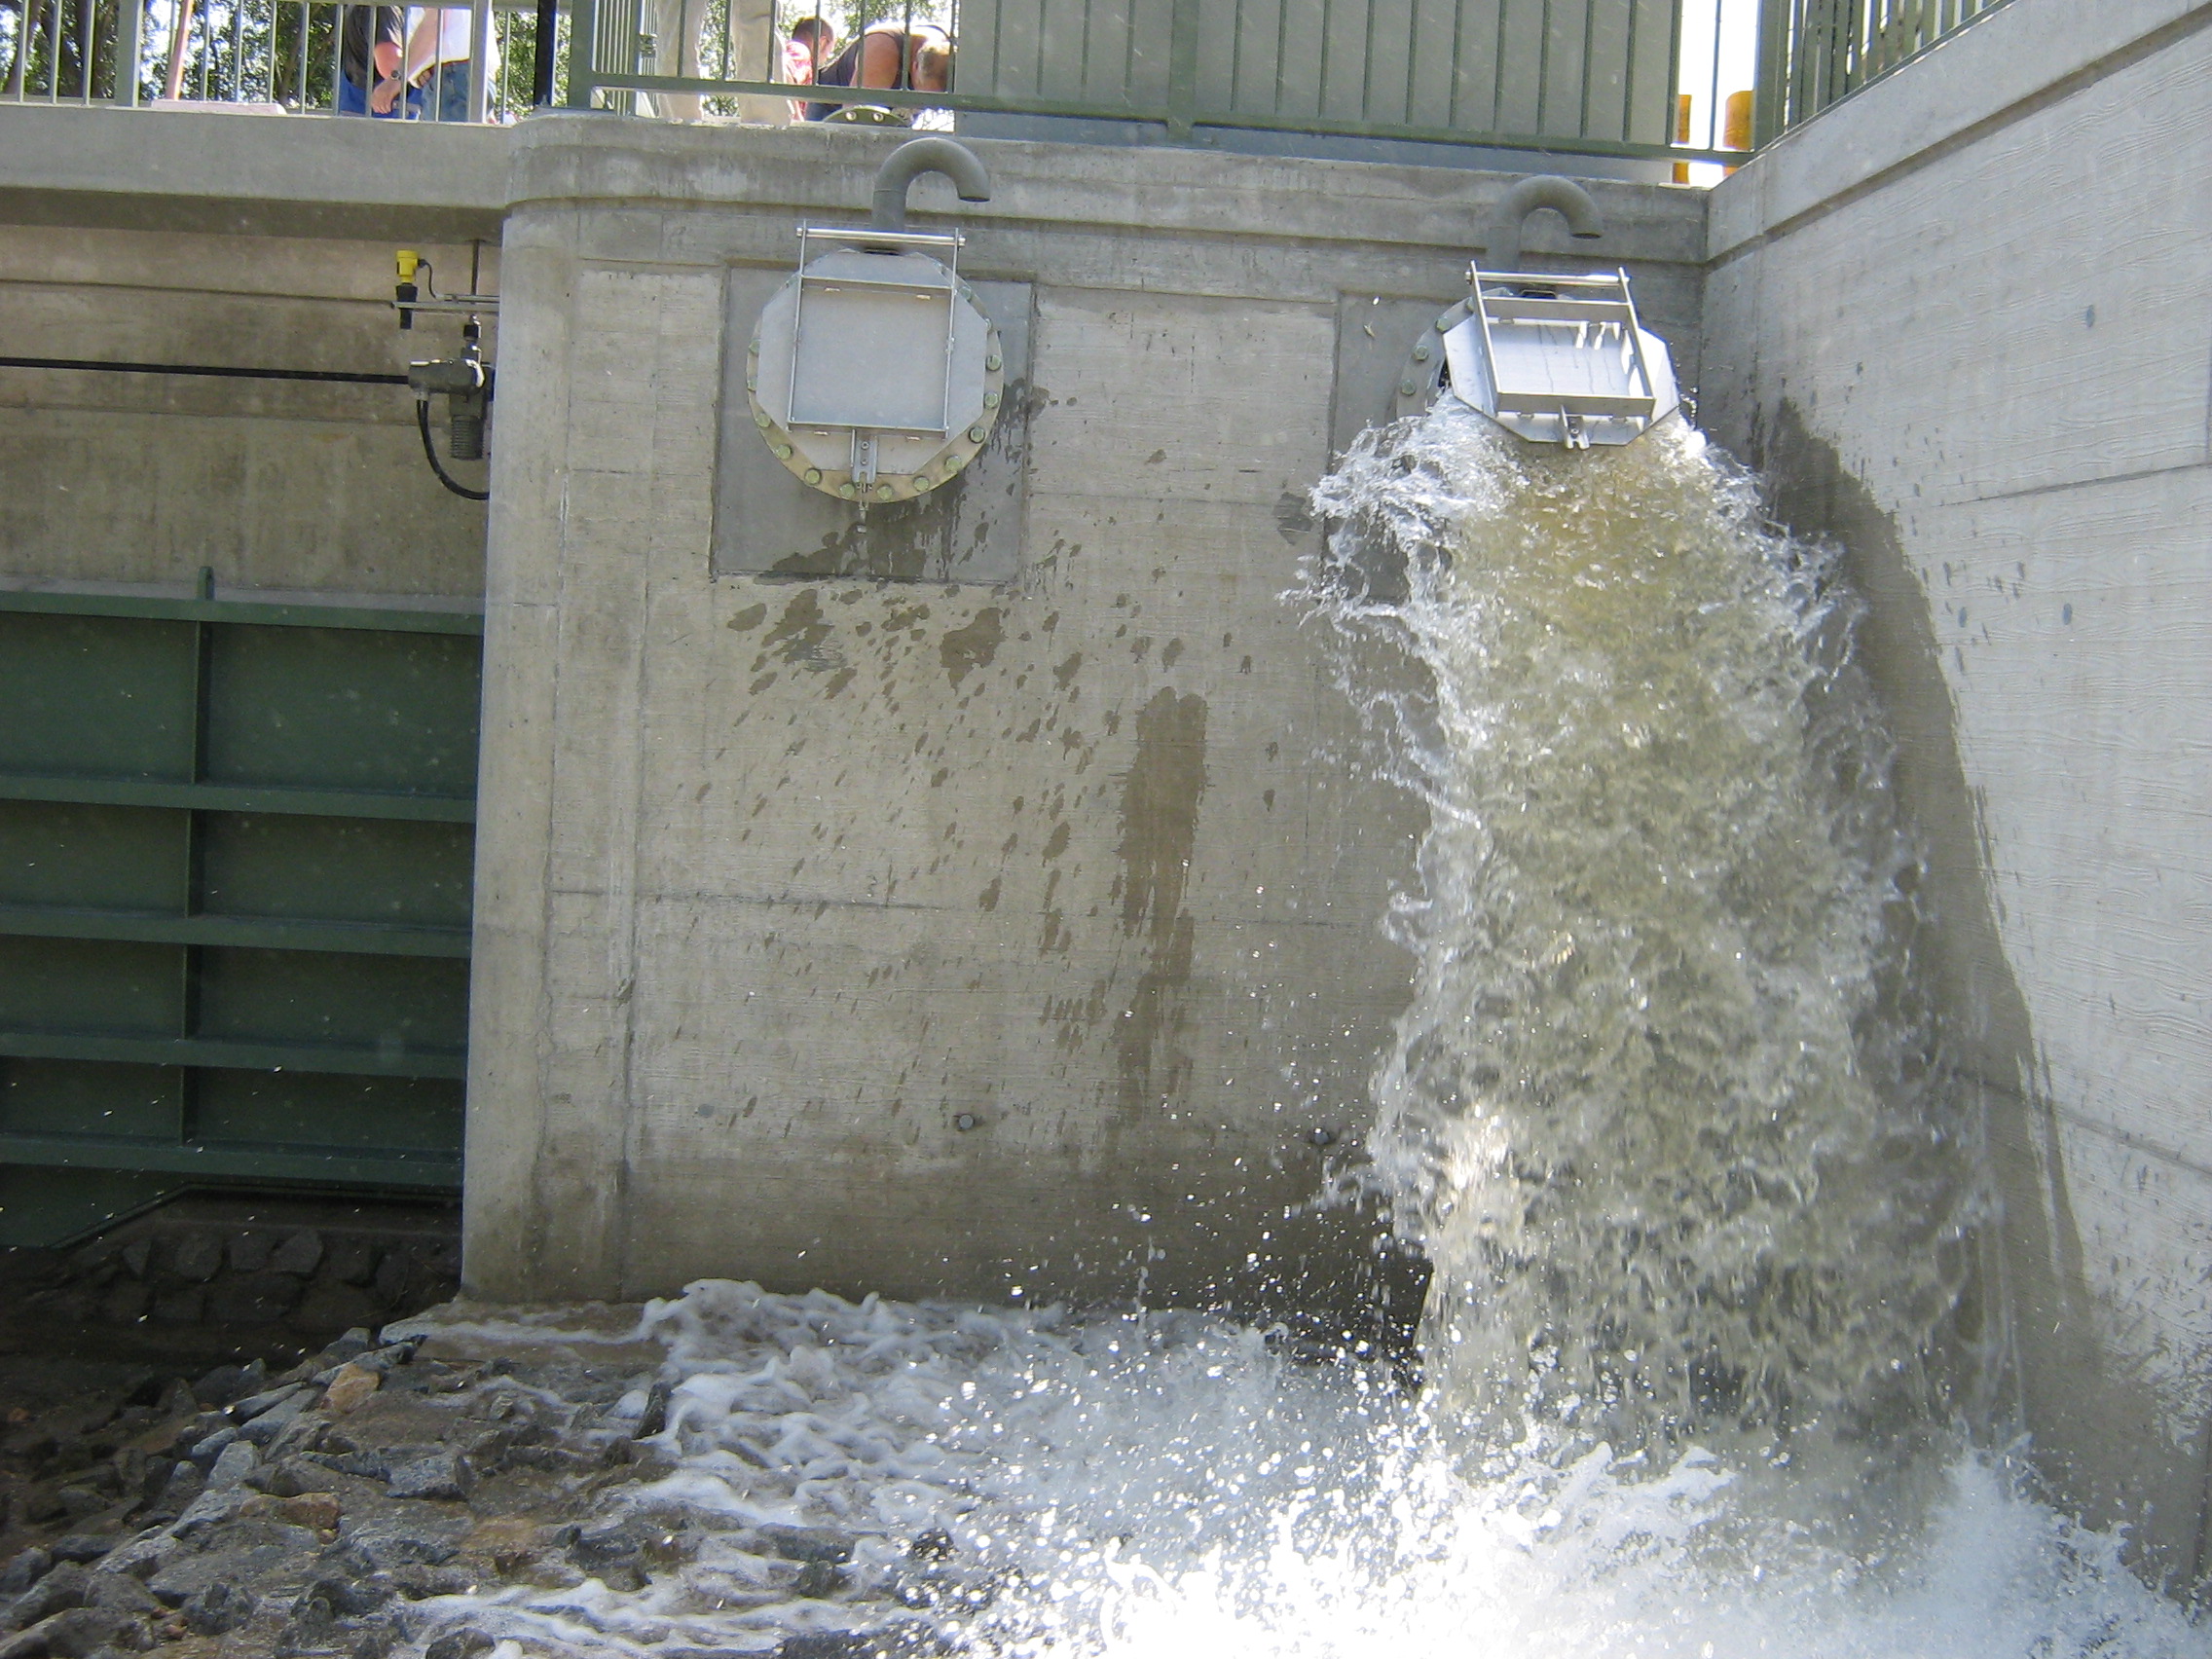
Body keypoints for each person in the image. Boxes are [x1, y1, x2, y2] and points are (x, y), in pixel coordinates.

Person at [371, 2, 499, 122]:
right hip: (458, 81)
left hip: (451, 81)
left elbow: (435, 22)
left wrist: (396, 79)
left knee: (447, 144)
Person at [803, 20, 949, 123]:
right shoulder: (882, 53)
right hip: (830, 108)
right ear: (915, 66)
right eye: (927, 98)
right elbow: (855, 121)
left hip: (888, 110)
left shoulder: (955, 51)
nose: (931, 108)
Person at [336, 5, 420, 117]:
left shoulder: (364, 7)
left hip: (362, 111)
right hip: (385, 116)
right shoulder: (382, 9)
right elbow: (390, 66)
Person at [782, 15, 834, 120]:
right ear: (822, 43)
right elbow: (782, 70)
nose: (826, 58)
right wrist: (797, 117)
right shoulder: (800, 50)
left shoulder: (787, 48)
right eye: (830, 51)